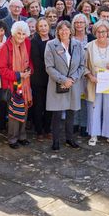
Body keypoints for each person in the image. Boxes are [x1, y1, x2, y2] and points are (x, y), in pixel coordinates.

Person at [45, 21, 86, 151]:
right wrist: (63, 80)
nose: (64, 31)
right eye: (61, 29)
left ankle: (70, 139)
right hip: (57, 84)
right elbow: (49, 67)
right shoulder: (51, 45)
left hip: (73, 84)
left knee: (71, 113)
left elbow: (82, 65)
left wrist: (72, 79)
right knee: (56, 115)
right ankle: (55, 141)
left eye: (66, 29)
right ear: (57, 31)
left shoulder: (78, 45)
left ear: (70, 30)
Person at [85, 20, 109, 147]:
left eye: (104, 31)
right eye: (99, 32)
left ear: (108, 32)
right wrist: (90, 76)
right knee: (94, 107)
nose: (101, 34)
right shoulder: (89, 46)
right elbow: (83, 66)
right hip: (94, 81)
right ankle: (93, 134)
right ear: (95, 32)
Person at [0, 21, 33, 149]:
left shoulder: (27, 43)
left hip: (26, 84)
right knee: (14, 113)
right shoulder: (5, 47)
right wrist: (19, 75)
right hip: (13, 84)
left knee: (25, 110)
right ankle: (12, 139)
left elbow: (30, 62)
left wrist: (29, 70)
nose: (21, 36)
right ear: (13, 33)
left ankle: (22, 136)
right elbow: (1, 69)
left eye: (24, 34)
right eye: (19, 33)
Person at [30, 18, 53, 141]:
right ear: (37, 28)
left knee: (49, 105)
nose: (43, 28)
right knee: (38, 106)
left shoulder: (54, 39)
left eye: (45, 25)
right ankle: (39, 131)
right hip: (39, 78)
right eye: (41, 26)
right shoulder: (34, 41)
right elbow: (37, 60)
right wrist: (50, 68)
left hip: (52, 79)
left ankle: (47, 129)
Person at [71, 13, 95, 136]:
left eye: (81, 22)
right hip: (74, 73)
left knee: (86, 99)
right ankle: (75, 123)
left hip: (87, 73)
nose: (79, 25)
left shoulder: (91, 37)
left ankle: (84, 124)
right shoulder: (70, 38)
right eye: (77, 22)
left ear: (86, 24)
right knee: (75, 98)